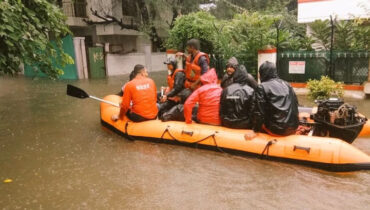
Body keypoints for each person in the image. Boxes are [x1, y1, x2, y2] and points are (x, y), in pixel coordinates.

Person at [245, 61, 299, 140]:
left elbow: (259, 112)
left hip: (277, 130)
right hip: (293, 127)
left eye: (259, 72)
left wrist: (255, 130)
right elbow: (295, 104)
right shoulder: (287, 84)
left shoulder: (262, 87)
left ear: (264, 73)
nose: (258, 75)